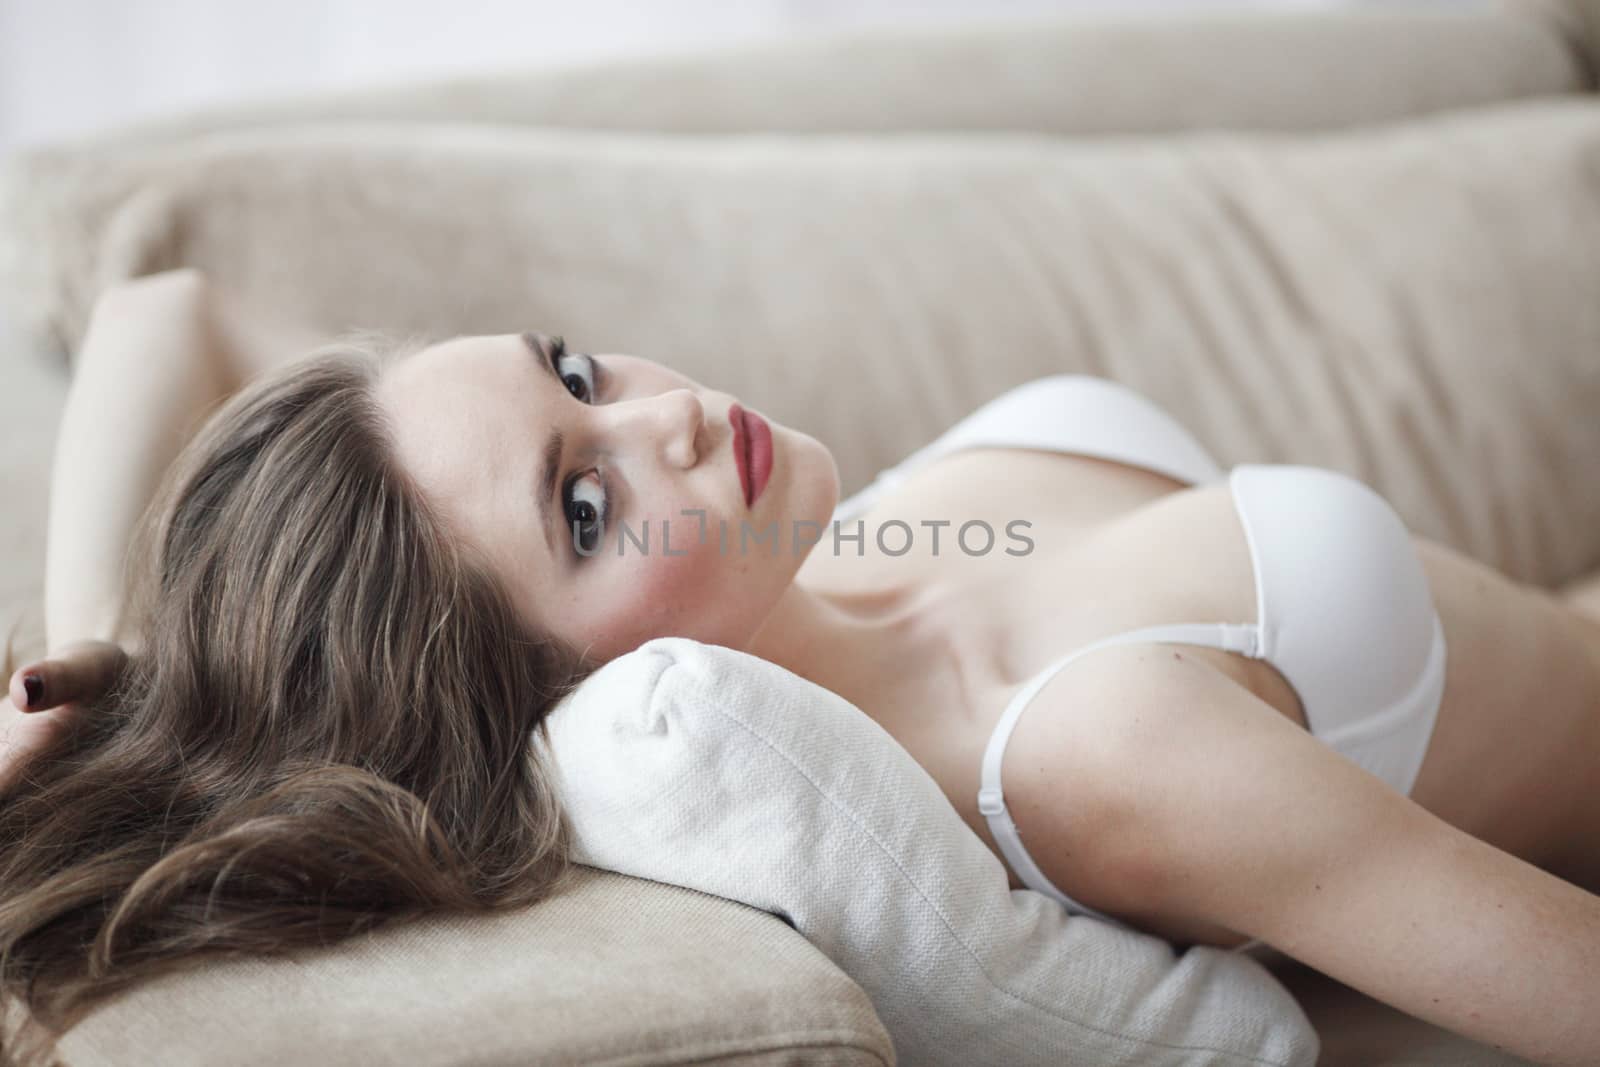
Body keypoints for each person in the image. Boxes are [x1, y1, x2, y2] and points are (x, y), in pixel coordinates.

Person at [3, 268, 1598, 1065]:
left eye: (573, 373)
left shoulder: (781, 566)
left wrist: (129, 680)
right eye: (581, 504)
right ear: (548, 698)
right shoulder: (1099, 752)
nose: (662, 418)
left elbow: (168, 309)